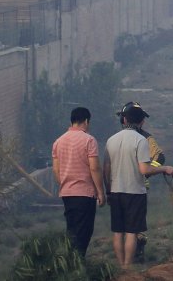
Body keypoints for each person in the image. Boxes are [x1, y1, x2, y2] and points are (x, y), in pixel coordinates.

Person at [105, 102, 173, 268]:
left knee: (117, 232)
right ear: (141, 121)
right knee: (132, 232)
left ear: (124, 119)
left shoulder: (111, 140)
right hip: (134, 191)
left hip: (115, 191)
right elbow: (145, 168)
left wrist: (107, 190)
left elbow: (105, 169)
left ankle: (120, 266)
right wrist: (163, 169)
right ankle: (128, 267)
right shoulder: (141, 140)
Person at [52, 107, 106, 259]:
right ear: (87, 121)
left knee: (72, 230)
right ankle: (77, 263)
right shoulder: (89, 140)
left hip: (67, 194)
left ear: (72, 121)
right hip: (85, 193)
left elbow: (56, 171)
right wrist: (100, 191)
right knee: (84, 231)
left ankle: (71, 263)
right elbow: (94, 168)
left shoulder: (58, 142)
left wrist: (64, 184)